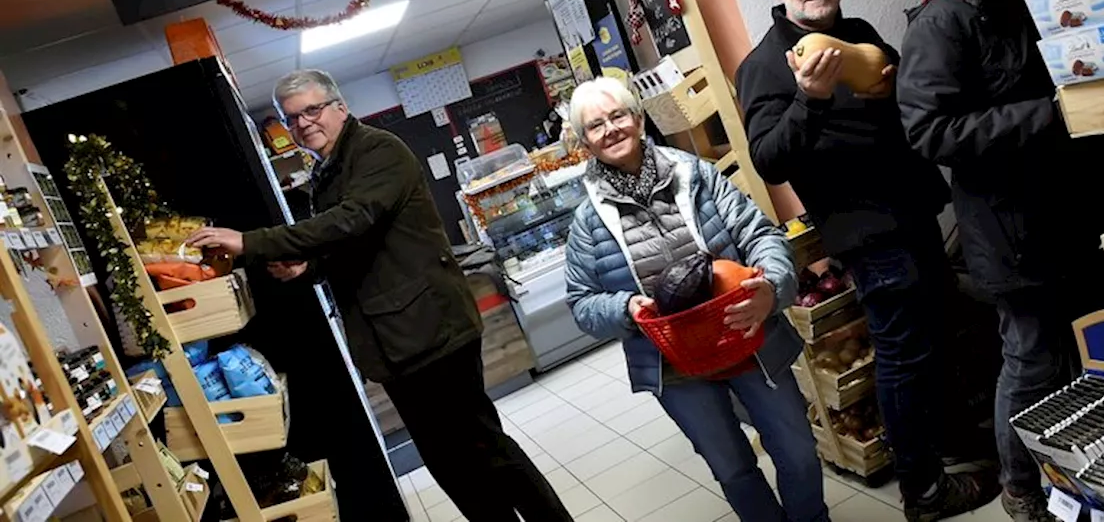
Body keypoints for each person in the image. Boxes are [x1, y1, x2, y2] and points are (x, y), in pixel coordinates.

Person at [186, 69, 572, 522]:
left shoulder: (377, 150)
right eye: (292, 118)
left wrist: (251, 243)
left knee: (483, 447)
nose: (304, 123)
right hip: (394, 342)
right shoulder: (327, 171)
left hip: (432, 330)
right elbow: (355, 245)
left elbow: (353, 219)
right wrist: (309, 265)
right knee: (447, 462)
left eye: (312, 109)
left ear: (340, 107)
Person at [735, 0, 999, 522]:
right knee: (902, 355)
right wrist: (810, 98)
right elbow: (770, 158)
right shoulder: (765, 67)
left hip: (914, 211)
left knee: (936, 337)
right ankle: (924, 492)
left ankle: (952, 444)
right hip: (868, 234)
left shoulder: (857, 34)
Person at [896, 0, 1104, 522]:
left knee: (1088, 346)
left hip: (1077, 210)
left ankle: (1085, 476)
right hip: (1010, 231)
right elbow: (930, 131)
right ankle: (1020, 488)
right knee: (1031, 360)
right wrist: (1046, 116)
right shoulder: (941, 22)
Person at [562, 77, 828, 522]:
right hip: (674, 367)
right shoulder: (587, 224)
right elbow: (582, 302)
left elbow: (760, 234)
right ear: (586, 141)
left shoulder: (695, 174)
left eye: (618, 116)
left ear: (639, 119)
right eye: (595, 126)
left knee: (799, 452)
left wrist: (771, 289)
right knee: (733, 469)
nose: (610, 129)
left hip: (747, 339)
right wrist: (624, 309)